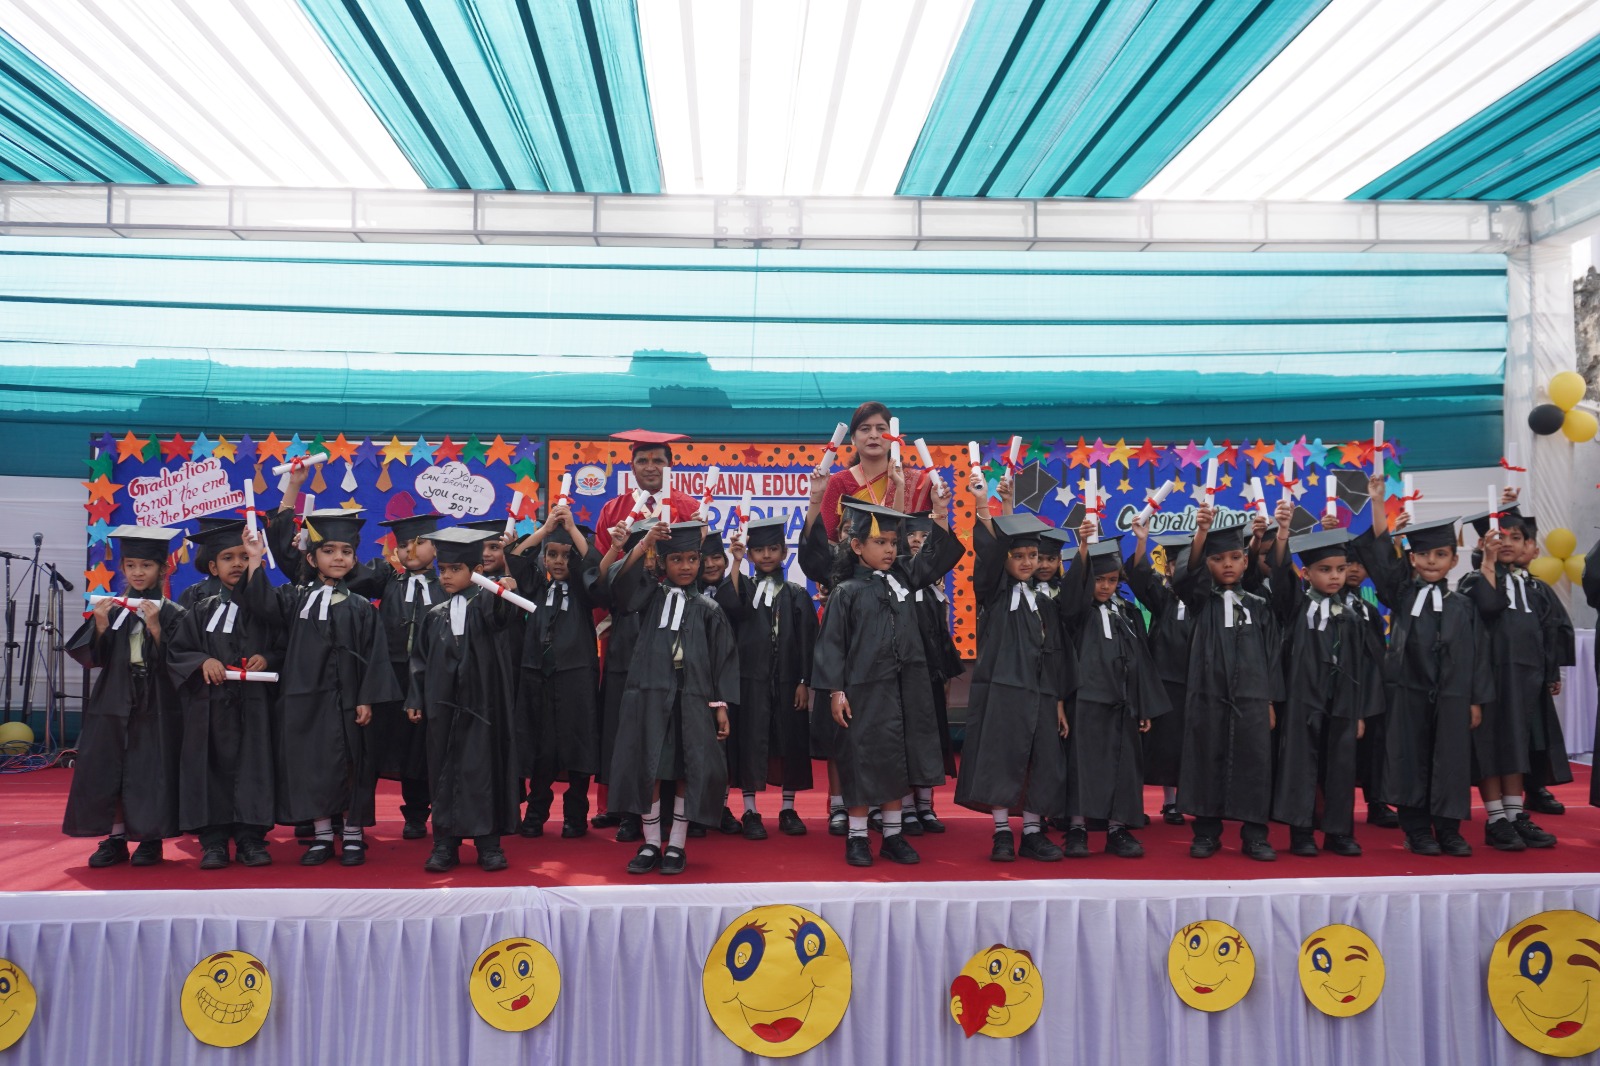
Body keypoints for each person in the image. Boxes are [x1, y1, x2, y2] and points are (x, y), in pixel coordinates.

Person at [241, 511, 401, 866]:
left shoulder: (362, 608)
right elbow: (261, 602)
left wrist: (367, 698)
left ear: (355, 558)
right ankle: (323, 836)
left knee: (353, 767)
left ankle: (354, 835)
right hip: (304, 701)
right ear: (312, 559)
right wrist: (254, 558)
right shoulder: (294, 599)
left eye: (346, 551)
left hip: (349, 702)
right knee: (311, 766)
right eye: (329, 551)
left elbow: (376, 658)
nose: (338, 558)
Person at [812, 494, 964, 867]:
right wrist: (836, 691)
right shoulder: (847, 591)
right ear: (857, 546)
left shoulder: (904, 577)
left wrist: (941, 513)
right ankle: (858, 837)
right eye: (880, 542)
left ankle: (893, 836)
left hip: (905, 688)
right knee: (864, 760)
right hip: (864, 691)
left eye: (893, 542)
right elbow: (832, 645)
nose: (890, 550)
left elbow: (938, 557)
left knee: (899, 759)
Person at [1352, 492, 1494, 857]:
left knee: (1451, 761)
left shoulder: (1463, 605)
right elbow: (1382, 558)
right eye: (1425, 554)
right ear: (1412, 558)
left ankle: (1448, 830)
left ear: (1453, 560)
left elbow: (1478, 655)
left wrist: (1476, 699)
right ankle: (1416, 830)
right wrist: (1378, 503)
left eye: (1441, 554)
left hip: (1453, 697)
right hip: (1407, 694)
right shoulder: (1402, 595)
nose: (1432, 561)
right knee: (1409, 759)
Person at [607, 521, 739, 876]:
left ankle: (677, 845)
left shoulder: (708, 609)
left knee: (686, 770)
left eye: (692, 559)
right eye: (676, 559)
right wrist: (643, 546)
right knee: (649, 769)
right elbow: (619, 588)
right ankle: (651, 842)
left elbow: (722, 662)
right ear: (663, 562)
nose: (685, 566)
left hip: (692, 700)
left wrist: (721, 706)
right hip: (650, 698)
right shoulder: (649, 598)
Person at [954, 492, 1072, 864]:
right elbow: (990, 554)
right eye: (1018, 555)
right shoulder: (993, 594)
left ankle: (1033, 833)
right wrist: (986, 506)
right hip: (1002, 693)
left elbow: (1054, 654)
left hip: (1040, 694)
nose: (1027, 562)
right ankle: (1002, 832)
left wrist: (1057, 701)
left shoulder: (1045, 603)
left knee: (1041, 762)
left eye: (1032, 555)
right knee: (1001, 760)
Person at [64, 526, 185, 868]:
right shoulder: (113, 610)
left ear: (163, 569)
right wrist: (101, 625)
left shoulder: (174, 613)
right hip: (114, 697)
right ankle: (115, 839)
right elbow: (93, 659)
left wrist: (156, 628)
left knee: (150, 769)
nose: (138, 572)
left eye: (146, 565)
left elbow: (181, 661)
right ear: (123, 568)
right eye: (130, 565)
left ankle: (150, 839)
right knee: (108, 768)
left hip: (156, 700)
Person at [1266, 513, 1385, 858]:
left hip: (1342, 705)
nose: (1335, 576)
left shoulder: (1352, 616)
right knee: (1301, 767)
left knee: (1341, 769)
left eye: (1340, 569)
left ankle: (1338, 832)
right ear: (1306, 573)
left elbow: (1361, 668)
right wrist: (1283, 532)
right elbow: (1280, 574)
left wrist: (1359, 713)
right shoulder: (1296, 607)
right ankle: (1301, 832)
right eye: (1325, 569)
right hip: (1302, 703)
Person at [407, 527, 522, 873]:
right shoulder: (434, 615)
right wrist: (415, 698)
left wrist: (505, 591)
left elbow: (502, 618)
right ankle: (445, 843)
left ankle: (488, 843)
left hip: (483, 705)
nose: (446, 576)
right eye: (442, 569)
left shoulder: (487, 604)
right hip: (442, 708)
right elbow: (420, 660)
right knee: (443, 771)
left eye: (455, 569)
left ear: (476, 571)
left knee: (483, 771)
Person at [166, 520, 278, 869]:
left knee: (254, 767)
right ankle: (213, 841)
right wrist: (203, 660)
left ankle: (251, 839)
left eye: (244, 557)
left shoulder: (266, 609)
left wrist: (268, 657)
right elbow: (178, 649)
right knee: (210, 768)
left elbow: (285, 645)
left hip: (255, 705)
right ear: (213, 567)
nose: (237, 564)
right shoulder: (201, 609)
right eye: (228, 558)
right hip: (211, 707)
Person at [1176, 507, 1283, 861]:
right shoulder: (1198, 603)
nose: (1227, 565)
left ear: (1246, 561)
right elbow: (1187, 576)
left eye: (1235, 558)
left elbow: (1271, 656)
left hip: (1252, 700)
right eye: (1217, 559)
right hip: (1207, 697)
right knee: (1206, 760)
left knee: (1255, 762)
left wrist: (1269, 702)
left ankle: (1255, 835)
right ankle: (1206, 833)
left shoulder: (1259, 605)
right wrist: (1201, 534)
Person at [1058, 522, 1169, 858]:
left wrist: (1143, 704)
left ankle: (1117, 829)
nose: (1105, 586)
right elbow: (1071, 597)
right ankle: (1077, 829)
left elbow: (1141, 659)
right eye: (1098, 579)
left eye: (1112, 580)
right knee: (1081, 766)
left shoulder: (1127, 613)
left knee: (1123, 767)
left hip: (1122, 703)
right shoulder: (1076, 613)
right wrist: (1083, 548)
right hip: (1085, 702)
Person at [1458, 504, 1558, 851]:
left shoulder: (1530, 586)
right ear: (1484, 544)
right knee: (1491, 746)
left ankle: (1515, 815)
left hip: (1523, 680)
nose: (1509, 544)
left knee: (1517, 743)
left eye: (1516, 538)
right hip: (1489, 678)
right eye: (1500, 538)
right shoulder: (1476, 581)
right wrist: (1487, 561)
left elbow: (1544, 630)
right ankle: (1496, 818)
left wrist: (1548, 671)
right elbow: (1488, 606)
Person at [718, 515, 819, 837]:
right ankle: (750, 811)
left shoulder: (796, 593)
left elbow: (808, 641)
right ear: (750, 554)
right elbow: (728, 604)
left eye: (773, 549)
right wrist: (735, 563)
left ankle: (788, 808)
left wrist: (804, 681)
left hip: (789, 682)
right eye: (759, 550)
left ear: (784, 553)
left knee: (789, 742)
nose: (766, 555)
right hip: (750, 682)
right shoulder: (744, 590)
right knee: (750, 740)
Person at [506, 506, 602, 839]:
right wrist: (545, 530)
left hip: (576, 679)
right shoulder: (535, 587)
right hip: (538, 678)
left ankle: (575, 815)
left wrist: (573, 529)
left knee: (578, 746)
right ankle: (535, 813)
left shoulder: (584, 589)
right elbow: (515, 557)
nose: (559, 561)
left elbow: (595, 564)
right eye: (552, 554)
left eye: (566, 555)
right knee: (541, 749)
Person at [1125, 531, 1195, 826]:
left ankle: (1195, 800)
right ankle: (1170, 802)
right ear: (1167, 568)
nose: (1183, 571)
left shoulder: (1206, 600)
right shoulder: (1164, 598)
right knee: (1164, 744)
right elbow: (1140, 575)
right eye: (1177, 565)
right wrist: (1142, 541)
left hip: (1197, 683)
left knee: (1191, 744)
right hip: (1164, 683)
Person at [905, 510, 963, 832]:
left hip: (931, 676)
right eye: (911, 535)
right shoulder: (896, 582)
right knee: (905, 741)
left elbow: (941, 634)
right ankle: (905, 807)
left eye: (924, 536)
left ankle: (925, 806)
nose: (917, 540)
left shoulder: (935, 589)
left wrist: (945, 676)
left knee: (930, 739)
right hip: (903, 676)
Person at [818, 403, 910, 541]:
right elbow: (827, 539)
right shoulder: (840, 481)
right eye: (865, 429)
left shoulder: (913, 481)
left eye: (881, 429)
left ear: (893, 438)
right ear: (853, 439)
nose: (874, 435)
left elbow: (921, 537)